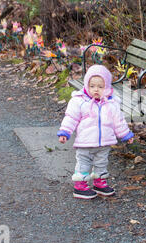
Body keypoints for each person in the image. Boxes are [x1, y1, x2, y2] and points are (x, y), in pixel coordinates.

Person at [57, 64, 134, 199]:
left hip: (104, 142)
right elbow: (71, 118)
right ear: (87, 85)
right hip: (85, 141)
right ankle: (80, 185)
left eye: (100, 86)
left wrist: (126, 135)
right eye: (92, 86)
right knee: (84, 163)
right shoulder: (79, 101)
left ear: (107, 87)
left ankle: (100, 182)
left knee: (101, 162)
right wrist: (65, 132)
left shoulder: (112, 103)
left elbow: (119, 121)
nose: (96, 90)